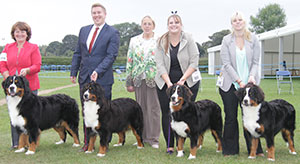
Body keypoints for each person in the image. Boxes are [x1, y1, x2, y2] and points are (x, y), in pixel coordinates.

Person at [70, 3, 120, 152]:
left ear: (105, 14)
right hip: (84, 78)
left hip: (103, 79)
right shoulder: (84, 30)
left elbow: (111, 55)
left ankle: (105, 142)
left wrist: (98, 70)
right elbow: (78, 53)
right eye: (94, 13)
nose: (96, 15)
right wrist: (74, 71)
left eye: (99, 13)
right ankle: (87, 144)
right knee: (87, 112)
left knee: (104, 113)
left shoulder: (112, 32)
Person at [218, 11, 263, 156]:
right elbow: (226, 64)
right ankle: (230, 150)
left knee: (251, 117)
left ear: (244, 22)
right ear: (232, 24)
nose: (237, 22)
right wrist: (239, 81)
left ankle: (255, 149)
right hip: (230, 84)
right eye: (234, 21)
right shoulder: (226, 40)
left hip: (249, 85)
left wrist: (251, 77)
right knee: (231, 117)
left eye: (240, 20)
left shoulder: (253, 39)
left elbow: (256, 62)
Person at [155, 13, 201, 154]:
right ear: (167, 25)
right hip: (165, 82)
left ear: (181, 25)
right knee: (167, 113)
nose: (173, 25)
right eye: (171, 23)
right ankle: (170, 145)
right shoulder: (161, 41)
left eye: (176, 22)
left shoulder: (189, 39)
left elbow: (194, 61)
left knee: (186, 113)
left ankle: (182, 144)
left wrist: (182, 81)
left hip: (187, 81)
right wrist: (169, 83)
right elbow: (160, 64)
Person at [0, 21, 41, 149]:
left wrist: (28, 70)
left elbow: (37, 65)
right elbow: (2, 64)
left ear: (27, 34)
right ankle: (17, 143)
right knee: (14, 115)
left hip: (29, 88)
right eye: (17, 31)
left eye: (23, 31)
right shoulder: (7, 47)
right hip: (12, 88)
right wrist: (7, 77)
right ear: (13, 34)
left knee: (30, 116)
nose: (20, 34)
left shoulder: (33, 47)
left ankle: (31, 142)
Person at [125, 16, 160, 149]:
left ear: (153, 26)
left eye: (149, 24)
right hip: (138, 79)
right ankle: (142, 137)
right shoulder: (134, 41)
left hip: (154, 78)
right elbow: (130, 61)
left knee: (154, 109)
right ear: (141, 26)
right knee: (140, 109)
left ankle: (154, 138)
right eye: (144, 24)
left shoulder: (159, 40)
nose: (147, 26)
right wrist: (129, 81)